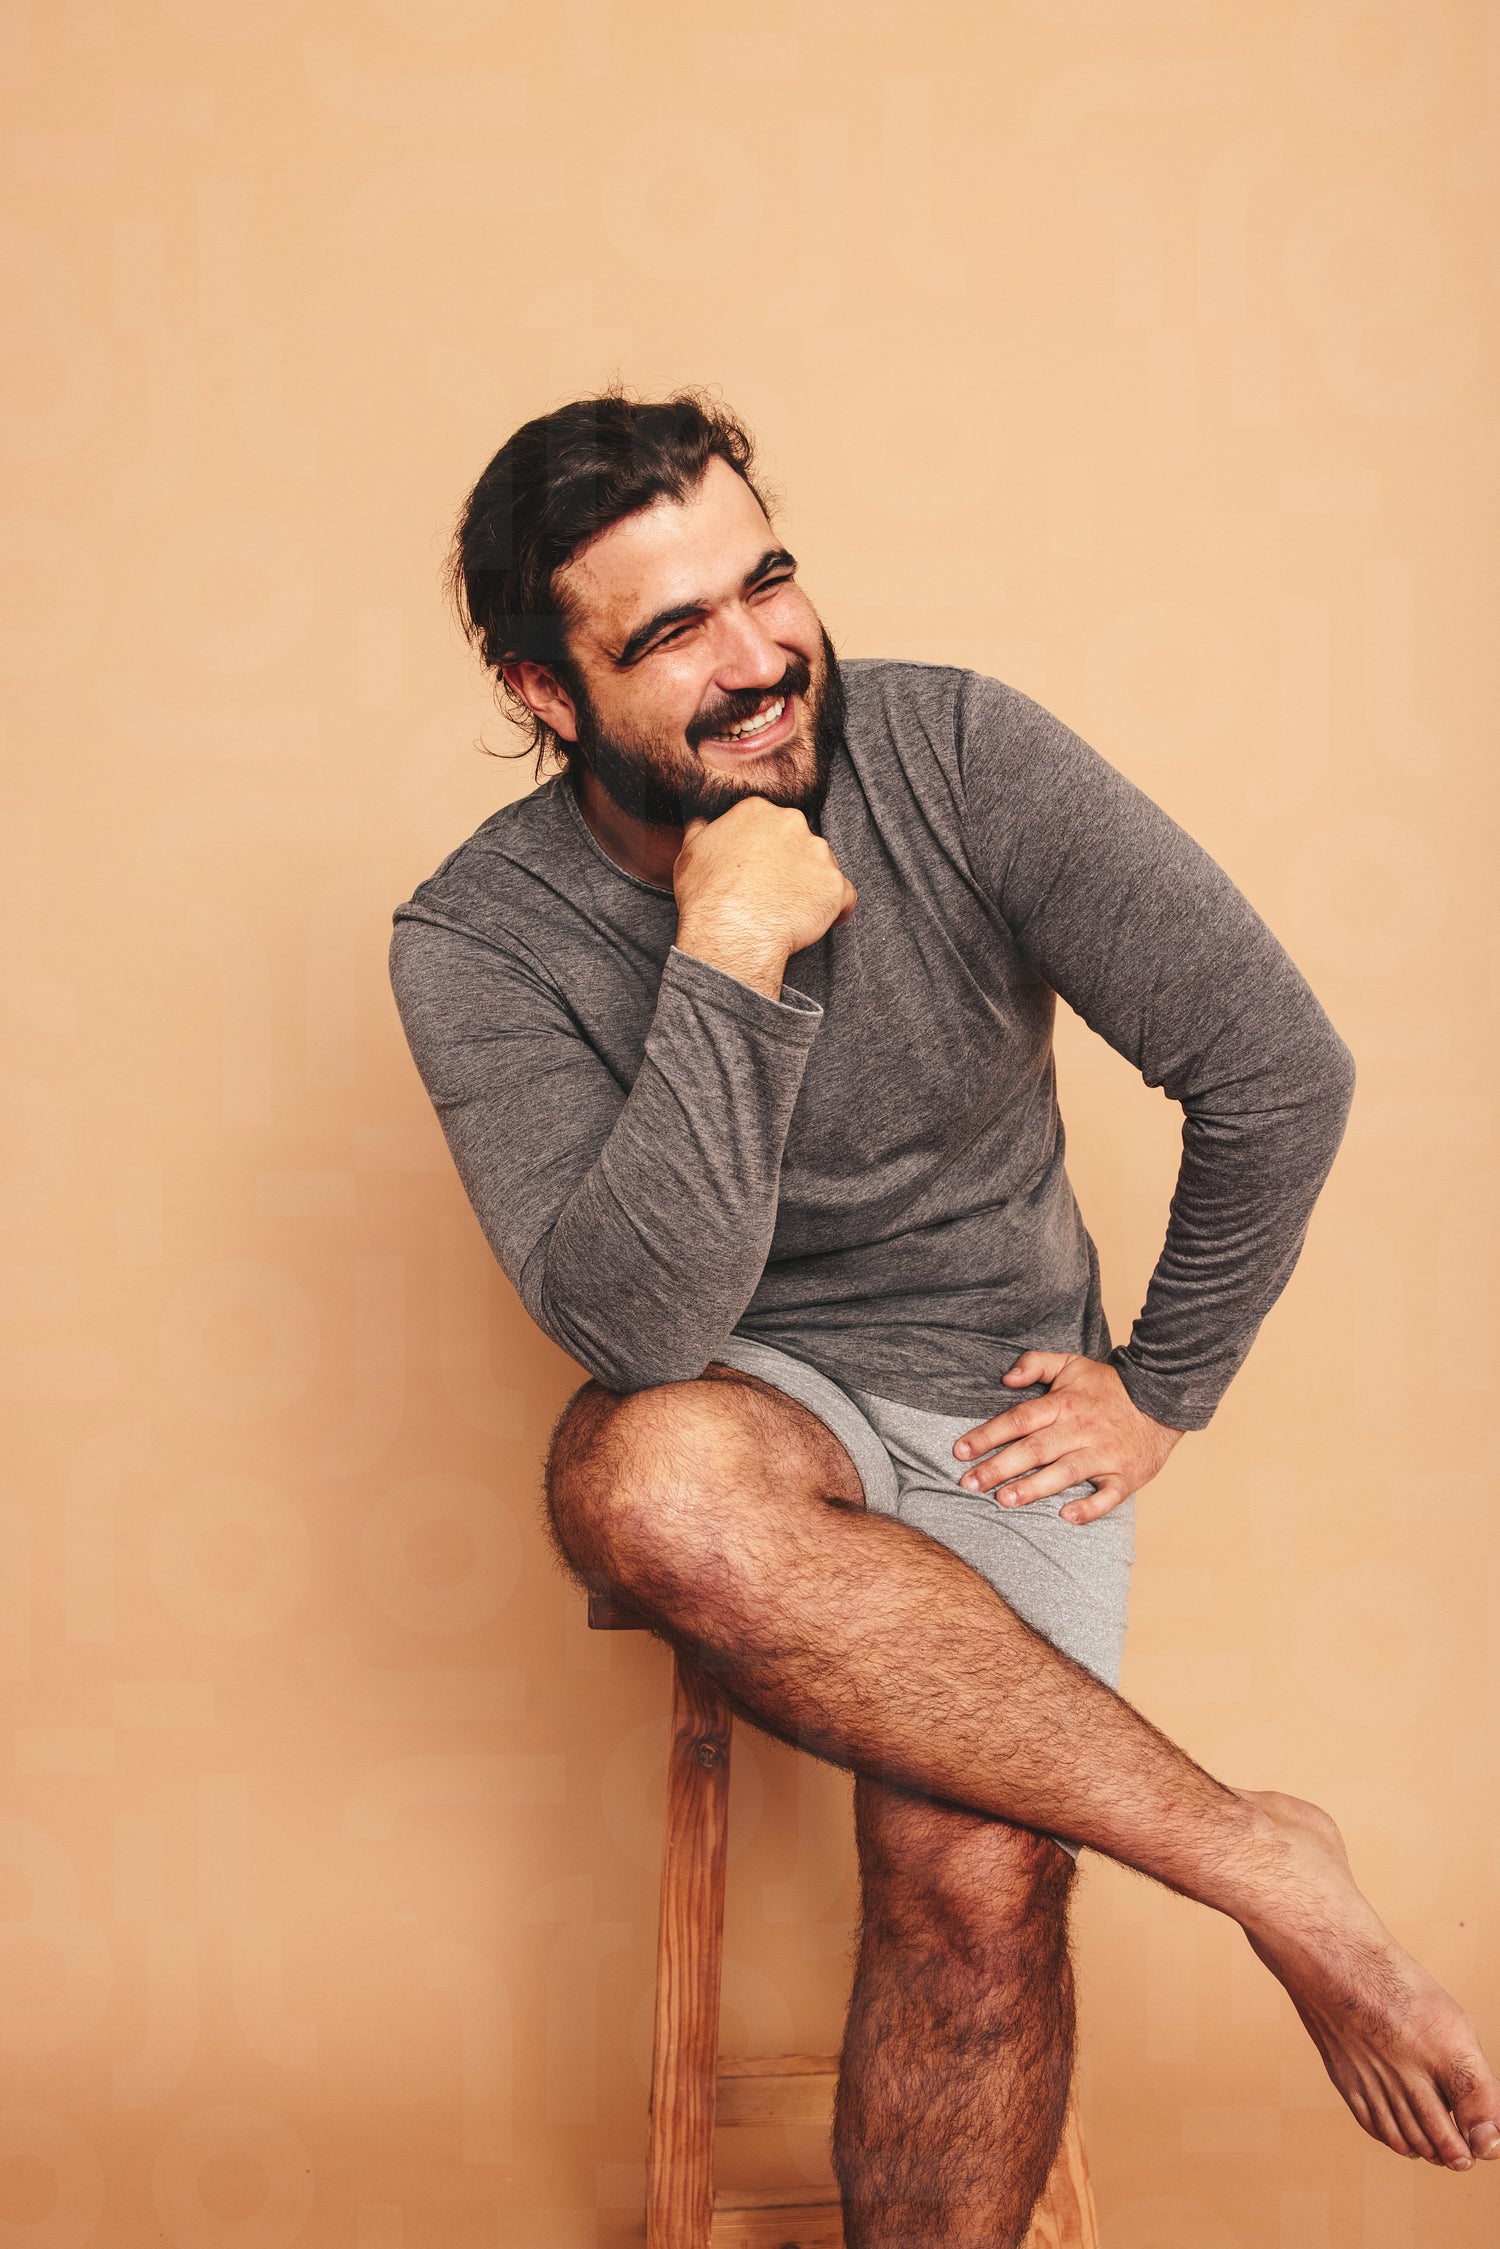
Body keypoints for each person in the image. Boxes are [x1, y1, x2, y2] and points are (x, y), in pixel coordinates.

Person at [389, 388, 1499, 2248]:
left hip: (994, 1390)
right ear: (544, 693)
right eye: (674, 633)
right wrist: (730, 947)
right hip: (745, 1395)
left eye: (768, 583)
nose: (761, 661)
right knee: (641, 1475)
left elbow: (1277, 1067)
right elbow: (644, 1330)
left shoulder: (959, 751)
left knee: (976, 1870)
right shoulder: (476, 939)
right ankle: (1256, 1856)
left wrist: (1164, 1384)